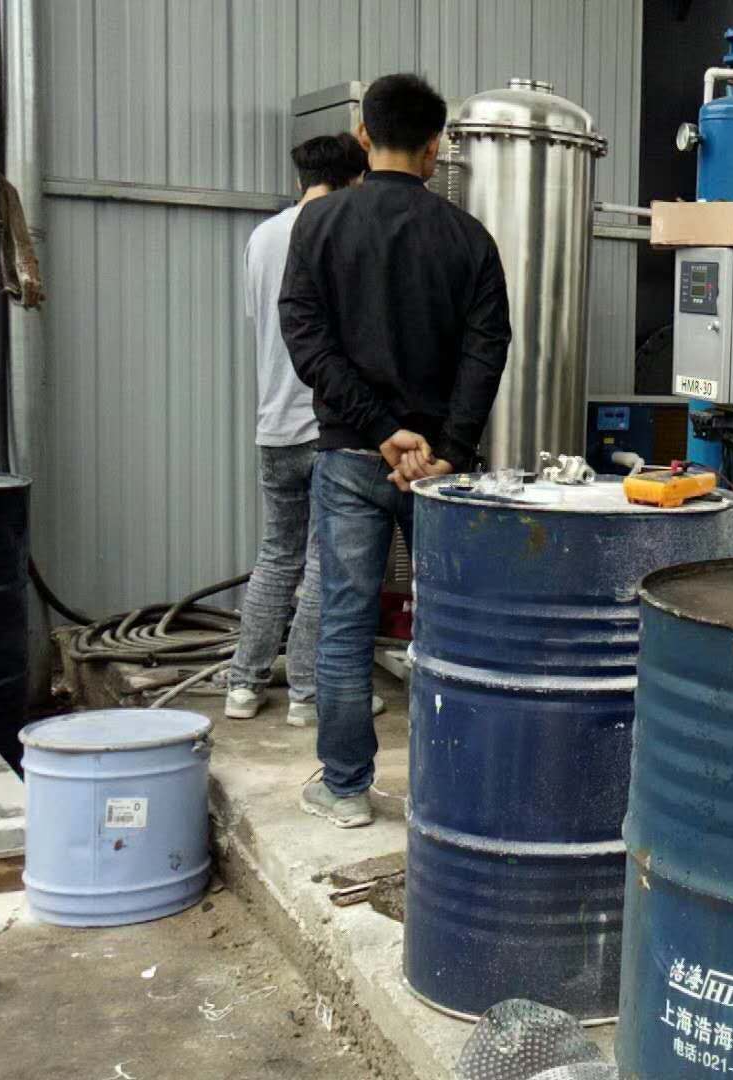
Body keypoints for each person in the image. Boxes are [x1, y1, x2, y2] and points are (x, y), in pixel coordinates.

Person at [281, 73, 511, 828]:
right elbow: (487, 349)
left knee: (345, 624)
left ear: (362, 135)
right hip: (439, 472)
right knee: (452, 625)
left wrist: (379, 428)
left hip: (353, 455)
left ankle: (346, 788)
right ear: (435, 147)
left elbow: (306, 339)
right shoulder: (469, 238)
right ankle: (453, 790)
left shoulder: (318, 225)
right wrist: (449, 449)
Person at [224, 134, 373, 727]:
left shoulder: (262, 237)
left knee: (276, 555)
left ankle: (243, 685)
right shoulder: (343, 233)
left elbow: (263, 320)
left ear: (300, 180)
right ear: (355, 181)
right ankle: (308, 696)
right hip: (327, 425)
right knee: (322, 564)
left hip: (274, 425)